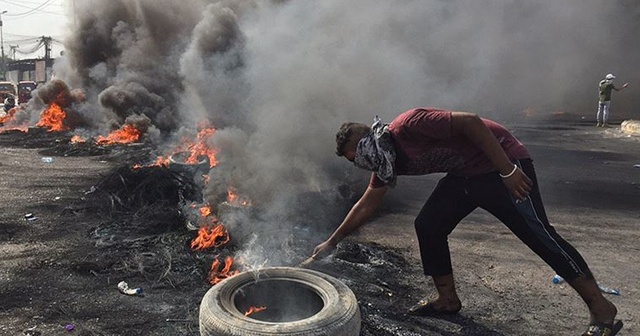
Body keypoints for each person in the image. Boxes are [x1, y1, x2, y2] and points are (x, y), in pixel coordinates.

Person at [310, 108, 622, 336]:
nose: (359, 165)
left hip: (502, 165)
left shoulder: (410, 124)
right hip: (465, 176)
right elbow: (367, 203)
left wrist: (508, 171)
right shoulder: (386, 162)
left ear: (367, 143)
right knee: (429, 224)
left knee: (539, 235)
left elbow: (471, 123)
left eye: (356, 158)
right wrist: (332, 241)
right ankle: (447, 299)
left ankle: (601, 309)